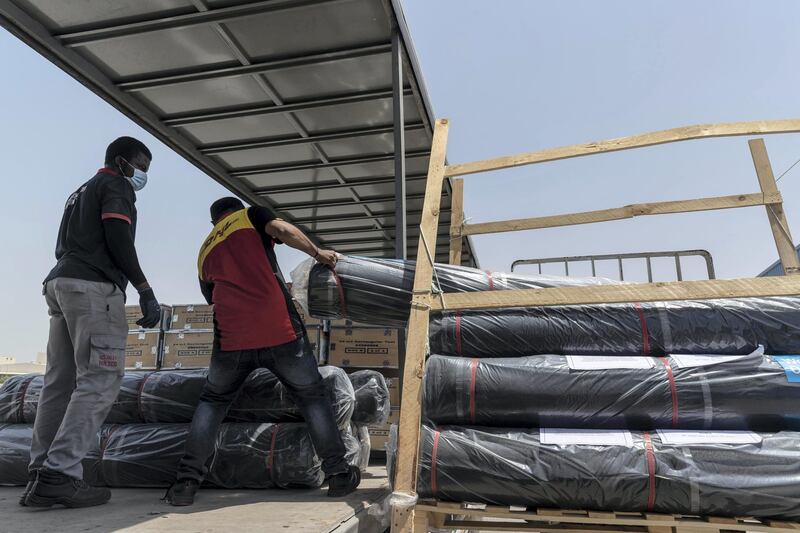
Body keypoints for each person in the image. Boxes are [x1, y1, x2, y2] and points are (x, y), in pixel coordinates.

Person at [164, 197, 360, 506]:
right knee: (311, 396)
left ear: (214, 222)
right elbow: (282, 229)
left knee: (212, 403)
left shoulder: (204, 250)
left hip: (231, 340)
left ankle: (185, 484)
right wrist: (318, 253)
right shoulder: (249, 216)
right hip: (278, 330)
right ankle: (338, 475)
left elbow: (211, 297)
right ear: (236, 209)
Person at [23, 137, 161, 509]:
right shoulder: (115, 184)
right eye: (141, 166)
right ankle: (61, 474)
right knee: (100, 379)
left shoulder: (79, 191)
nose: (143, 174)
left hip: (60, 283)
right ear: (121, 161)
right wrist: (144, 287)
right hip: (92, 287)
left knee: (59, 383)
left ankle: (39, 473)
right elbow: (117, 235)